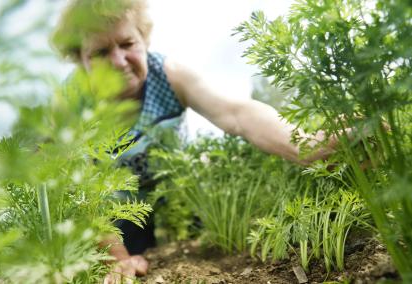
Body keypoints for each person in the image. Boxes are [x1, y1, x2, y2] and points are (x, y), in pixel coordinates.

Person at [51, 0, 337, 282]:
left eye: (127, 44)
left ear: (144, 40)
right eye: (101, 52)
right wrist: (118, 257)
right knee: (130, 264)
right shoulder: (71, 105)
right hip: (119, 207)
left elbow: (237, 114)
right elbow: (81, 191)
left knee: (208, 239)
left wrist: (307, 145)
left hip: (178, 187)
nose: (118, 60)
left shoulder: (170, 74)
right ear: (81, 60)